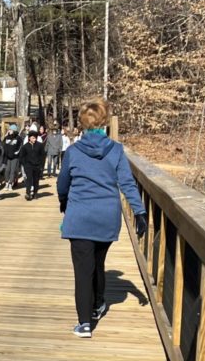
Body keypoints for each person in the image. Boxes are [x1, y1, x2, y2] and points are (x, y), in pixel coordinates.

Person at [57, 100, 148, 338]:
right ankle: (98, 305)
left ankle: (84, 323)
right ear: (104, 122)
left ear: (82, 123)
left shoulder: (73, 152)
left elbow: (63, 184)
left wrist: (63, 201)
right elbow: (127, 184)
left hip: (79, 217)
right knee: (98, 263)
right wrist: (139, 212)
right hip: (106, 216)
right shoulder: (116, 150)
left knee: (83, 271)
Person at [19, 129, 46, 201]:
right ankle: (28, 193)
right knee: (29, 179)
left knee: (36, 180)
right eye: (33, 138)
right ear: (29, 138)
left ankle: (35, 193)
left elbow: (43, 156)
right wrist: (24, 164)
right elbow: (21, 156)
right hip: (28, 166)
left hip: (37, 166)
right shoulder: (25, 146)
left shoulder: (40, 146)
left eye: (35, 138)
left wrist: (41, 165)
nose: (34, 139)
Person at [0, 123, 23, 192]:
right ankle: (6, 183)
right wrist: (5, 136)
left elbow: (21, 147)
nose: (9, 131)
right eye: (9, 129)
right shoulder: (7, 137)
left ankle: (10, 184)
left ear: (14, 130)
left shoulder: (18, 138)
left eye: (10, 130)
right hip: (7, 157)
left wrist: (17, 153)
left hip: (15, 157)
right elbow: (2, 145)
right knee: (7, 171)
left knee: (12, 171)